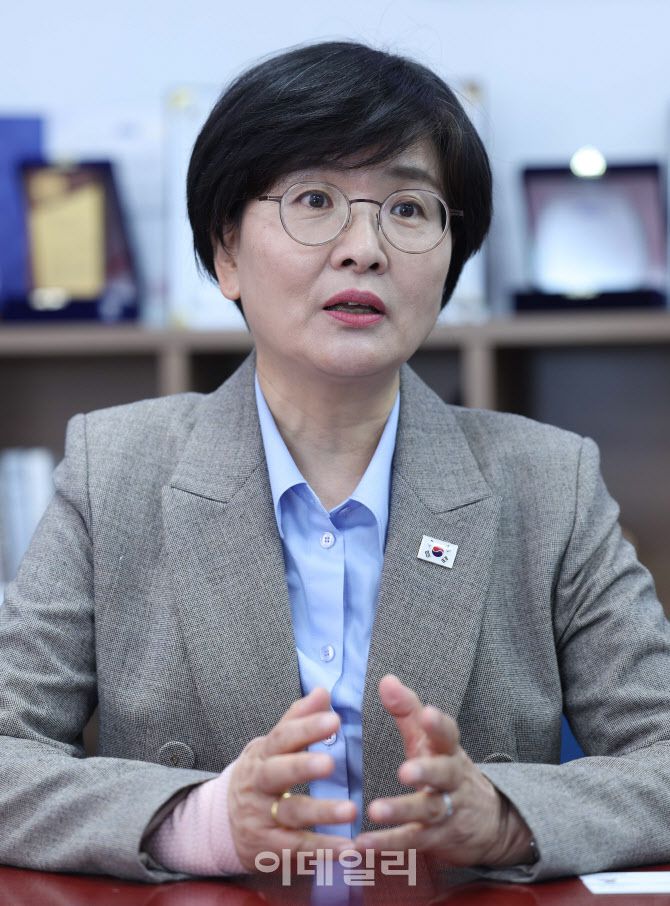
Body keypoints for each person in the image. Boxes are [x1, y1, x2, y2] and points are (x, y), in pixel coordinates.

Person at [1, 38, 670, 886]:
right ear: (227, 252)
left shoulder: (549, 482)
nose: (365, 248)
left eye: (409, 209)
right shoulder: (115, 470)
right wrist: (200, 822)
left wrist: (506, 817)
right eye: (314, 200)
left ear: (450, 257)